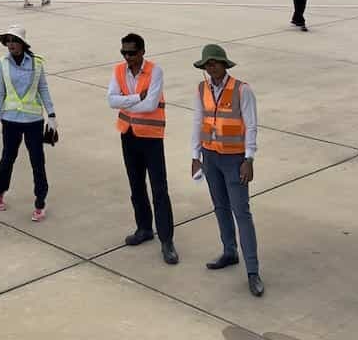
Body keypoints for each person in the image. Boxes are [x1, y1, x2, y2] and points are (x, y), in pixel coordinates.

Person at [190, 44, 264, 297]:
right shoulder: (202, 89)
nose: (211, 68)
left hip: (234, 160)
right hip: (211, 157)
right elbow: (198, 121)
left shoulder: (242, 90)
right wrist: (195, 155)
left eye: (215, 63)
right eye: (207, 64)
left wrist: (249, 158)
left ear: (224, 64)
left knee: (241, 212)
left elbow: (251, 125)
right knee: (220, 208)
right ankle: (229, 251)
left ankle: (253, 270)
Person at [108, 33, 176, 264]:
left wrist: (126, 99)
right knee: (136, 186)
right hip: (128, 135)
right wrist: (136, 97)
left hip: (151, 137)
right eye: (123, 53)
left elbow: (151, 104)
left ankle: (166, 240)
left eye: (132, 53)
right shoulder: (119, 71)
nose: (127, 57)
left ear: (142, 52)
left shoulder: (155, 71)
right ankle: (144, 228)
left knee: (159, 189)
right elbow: (111, 100)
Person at [0, 25, 56, 222]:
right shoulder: (2, 63)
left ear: (22, 43)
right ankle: (0, 190)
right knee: (8, 158)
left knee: (37, 161)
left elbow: (43, 88)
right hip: (10, 120)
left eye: (14, 40)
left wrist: (51, 114)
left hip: (33, 120)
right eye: (8, 41)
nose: (10, 44)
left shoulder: (36, 63)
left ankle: (40, 201)